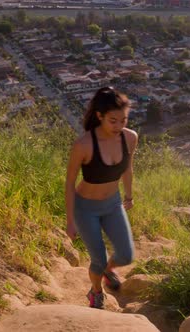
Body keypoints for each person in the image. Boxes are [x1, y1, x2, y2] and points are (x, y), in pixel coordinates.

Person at [65, 86, 138, 309]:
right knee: (97, 258)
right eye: (113, 120)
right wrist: (70, 221)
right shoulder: (84, 145)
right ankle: (96, 292)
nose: (119, 126)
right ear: (100, 116)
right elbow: (69, 183)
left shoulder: (130, 138)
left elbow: (128, 168)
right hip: (85, 208)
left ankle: (109, 270)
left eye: (123, 120)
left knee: (126, 255)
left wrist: (129, 195)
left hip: (113, 203)